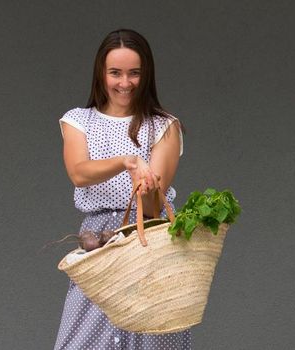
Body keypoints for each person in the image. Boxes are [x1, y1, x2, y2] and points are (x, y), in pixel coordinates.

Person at [53, 28, 188, 349]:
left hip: (148, 242)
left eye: (134, 73)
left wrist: (147, 186)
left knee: (151, 337)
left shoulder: (164, 126)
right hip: (96, 245)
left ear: (147, 75)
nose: (124, 83)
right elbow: (78, 173)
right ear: (101, 74)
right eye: (115, 72)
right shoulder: (78, 121)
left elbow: (153, 209)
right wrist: (127, 161)